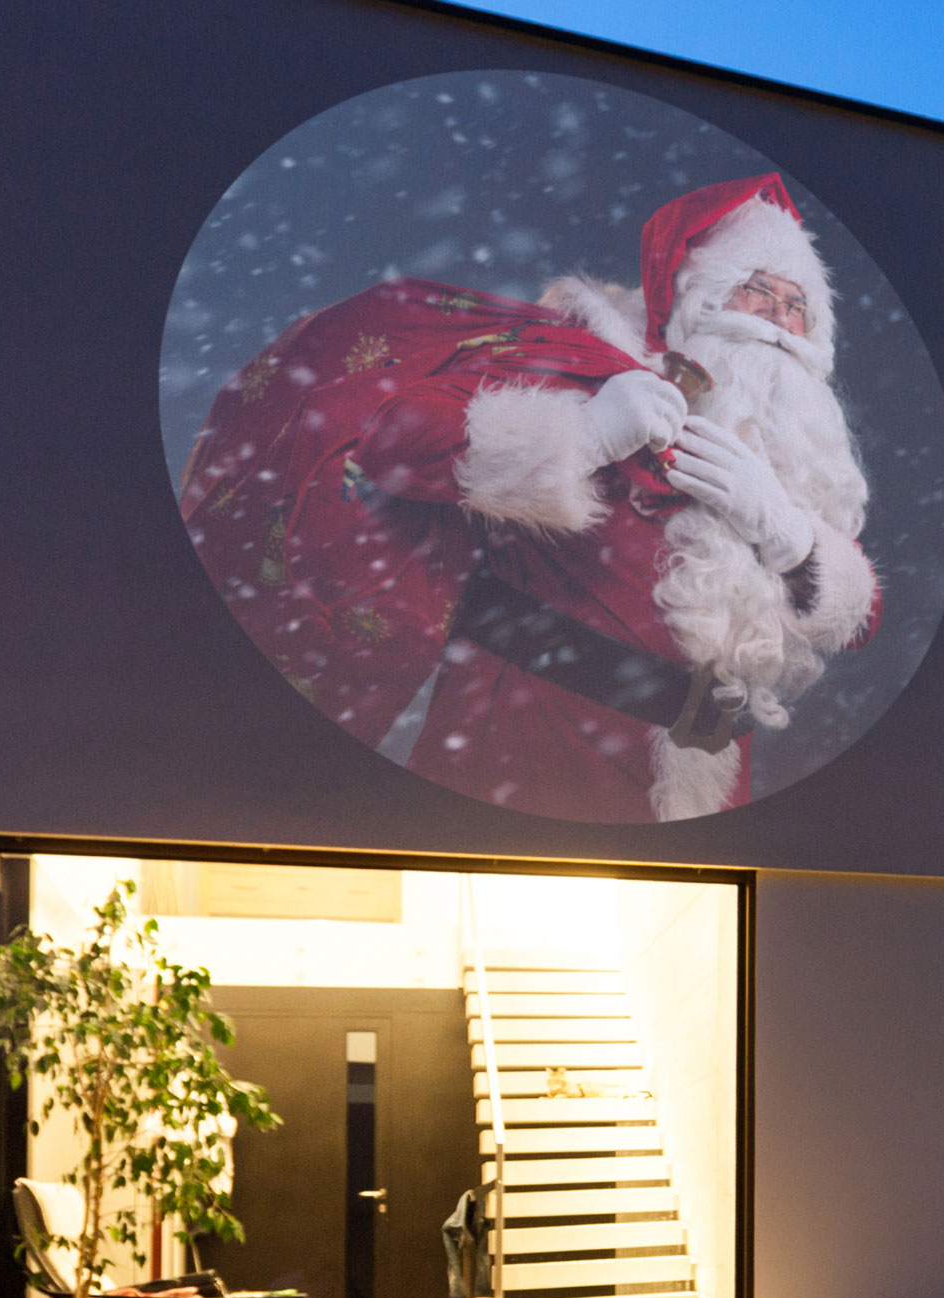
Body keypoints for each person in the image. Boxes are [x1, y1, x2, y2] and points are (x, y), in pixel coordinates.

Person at [180, 174, 878, 822]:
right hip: (533, 742)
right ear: (700, 293)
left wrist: (788, 532)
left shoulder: (793, 461)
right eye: (758, 290)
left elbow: (861, 618)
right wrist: (590, 429)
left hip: (709, 781)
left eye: (798, 307)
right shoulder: (593, 367)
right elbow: (396, 441)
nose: (780, 321)